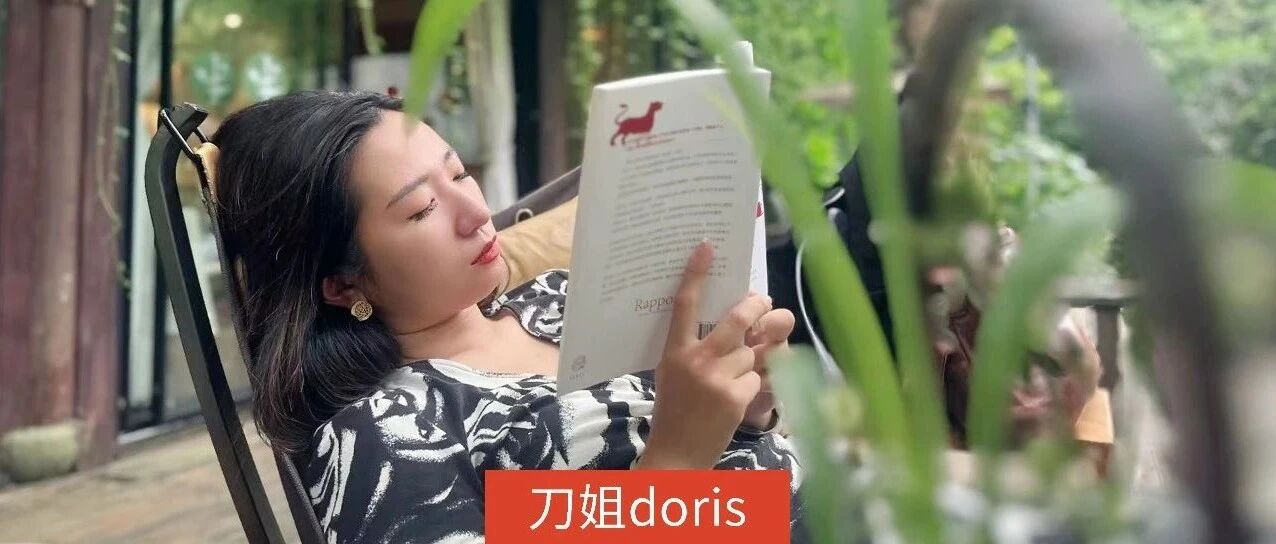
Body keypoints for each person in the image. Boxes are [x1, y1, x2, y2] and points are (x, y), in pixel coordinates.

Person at [208, 91, 804, 542]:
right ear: (342, 284)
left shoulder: (564, 297)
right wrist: (675, 466)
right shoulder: (389, 433)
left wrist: (748, 405)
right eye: (421, 210)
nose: (476, 212)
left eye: (460, 173)